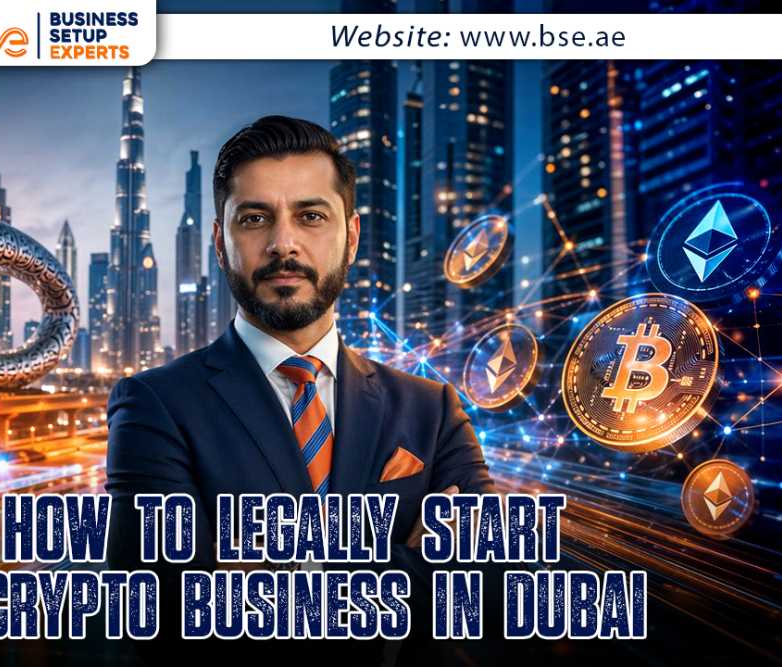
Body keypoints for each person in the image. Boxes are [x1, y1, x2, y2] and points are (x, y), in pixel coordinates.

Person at [106, 115, 496, 665]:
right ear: (219, 242)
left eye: (311, 216)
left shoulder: (430, 409)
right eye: (254, 218)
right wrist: (410, 568)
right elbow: (158, 612)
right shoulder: (155, 405)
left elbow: (489, 588)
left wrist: (269, 579)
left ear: (351, 237)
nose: (282, 243)